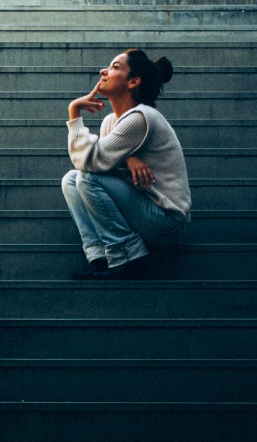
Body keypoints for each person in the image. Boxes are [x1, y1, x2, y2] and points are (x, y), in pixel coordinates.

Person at [61, 48, 191, 280]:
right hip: (143, 209)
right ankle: (99, 256)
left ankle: (129, 255)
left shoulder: (141, 117)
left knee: (87, 177)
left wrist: (74, 111)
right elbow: (102, 162)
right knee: (71, 179)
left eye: (114, 67)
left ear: (134, 82)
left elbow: (90, 161)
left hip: (165, 222)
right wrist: (127, 158)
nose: (104, 71)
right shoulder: (112, 120)